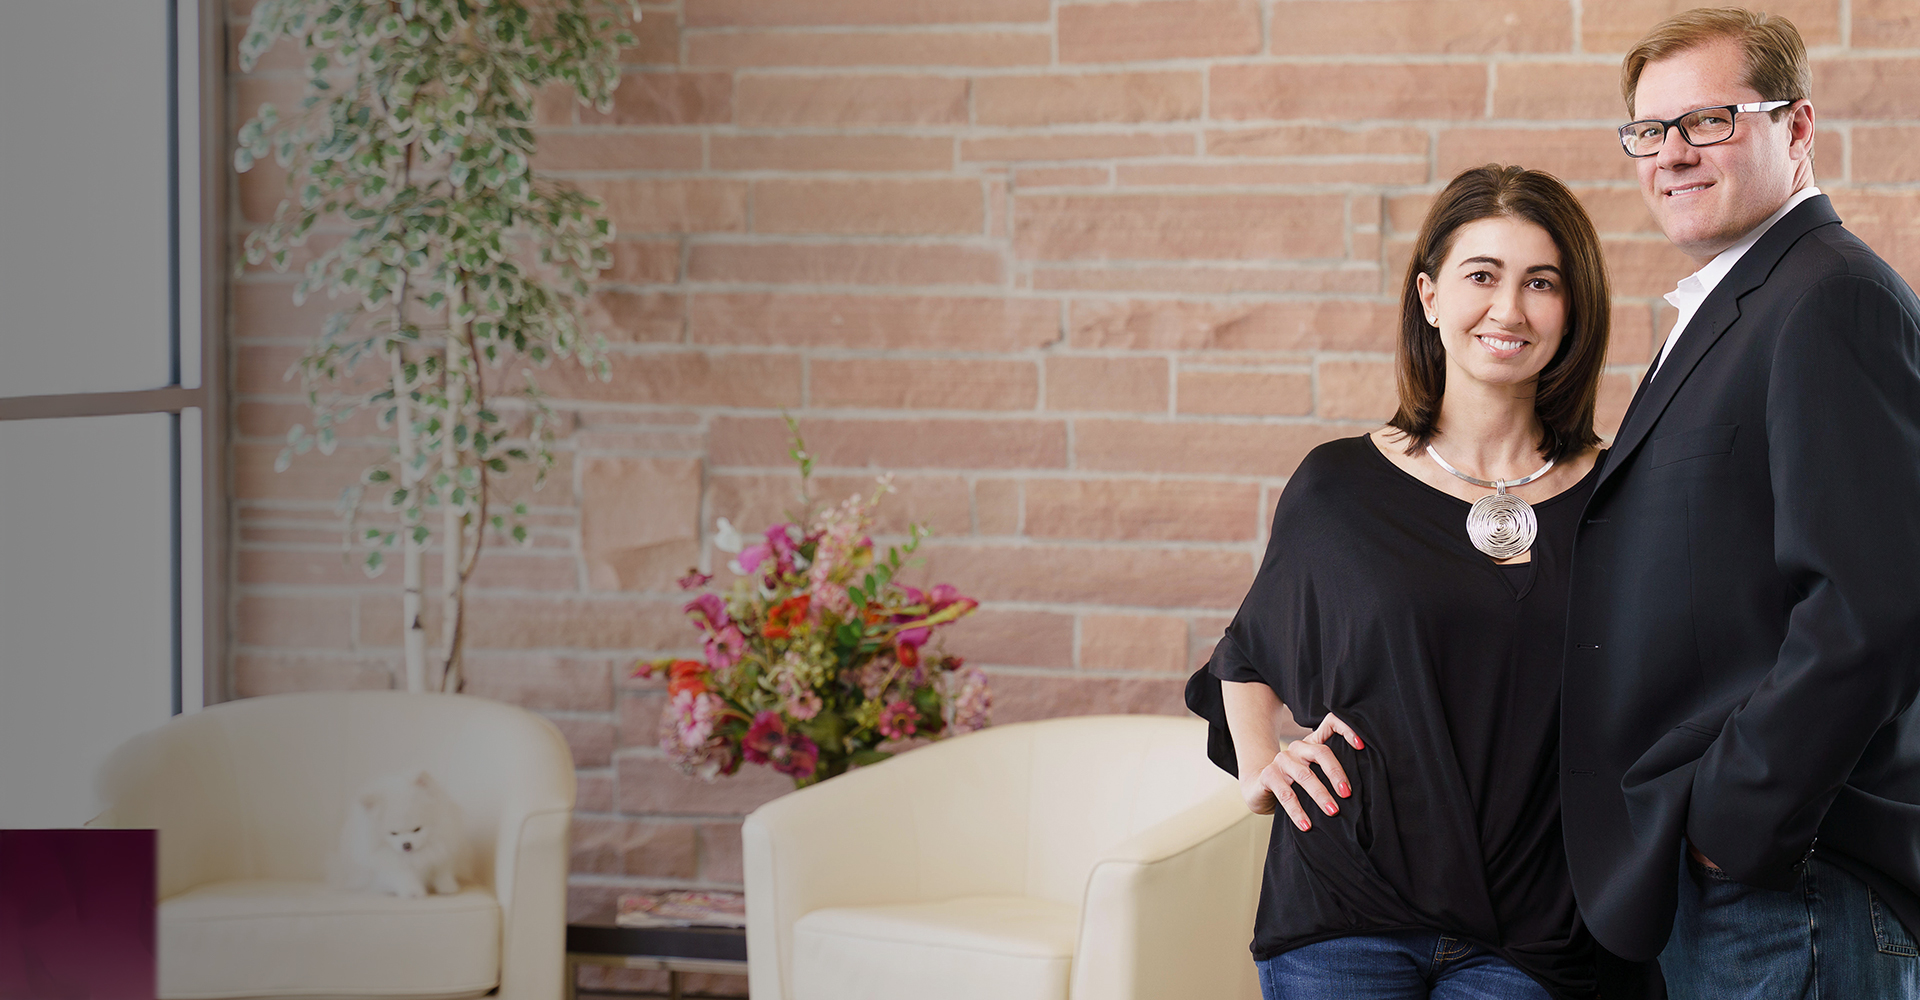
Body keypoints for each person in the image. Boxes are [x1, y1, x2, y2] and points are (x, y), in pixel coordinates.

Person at [1187, 163, 1626, 1000]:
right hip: (1343, 915)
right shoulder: (1339, 486)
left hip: (1541, 928)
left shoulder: (1624, 492)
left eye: (1542, 282)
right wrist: (1258, 769)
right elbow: (1248, 651)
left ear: (1573, 311)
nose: (1510, 309)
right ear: (1429, 297)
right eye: (1482, 276)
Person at [1560, 8, 1920, 998]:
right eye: (1648, 130)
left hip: (1788, 885)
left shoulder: (1830, 299)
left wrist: (1731, 826)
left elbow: (1868, 608)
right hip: (1737, 891)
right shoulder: (1738, 302)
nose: (1670, 154)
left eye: (1709, 121)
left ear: (1797, 128)